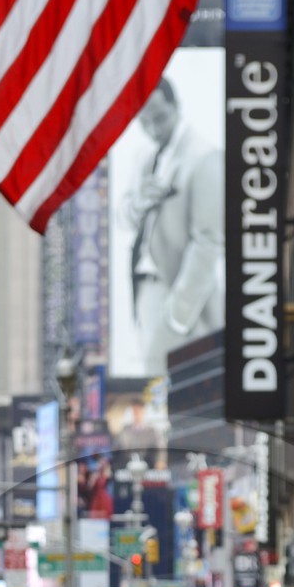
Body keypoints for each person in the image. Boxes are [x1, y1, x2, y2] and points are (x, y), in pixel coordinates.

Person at [122, 76, 224, 377]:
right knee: (156, 386)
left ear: (176, 107)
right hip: (145, 290)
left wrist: (178, 315)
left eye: (160, 118)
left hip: (179, 295)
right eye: (144, 122)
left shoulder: (204, 157)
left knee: (176, 390)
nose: (154, 129)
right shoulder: (145, 157)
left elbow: (208, 241)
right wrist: (140, 201)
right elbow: (124, 214)